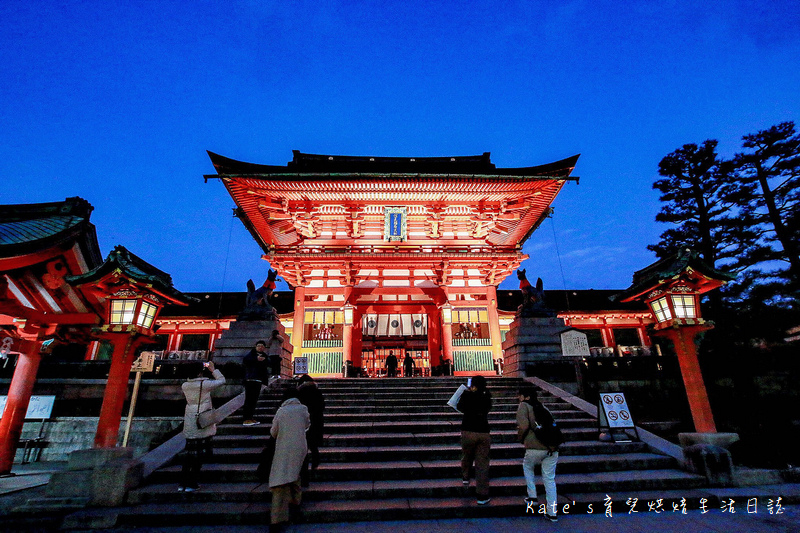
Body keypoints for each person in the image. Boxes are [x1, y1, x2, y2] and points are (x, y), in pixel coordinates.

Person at [180, 361, 225, 492]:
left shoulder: (185, 385)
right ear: (200, 372)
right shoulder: (204, 384)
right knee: (198, 455)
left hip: (190, 417)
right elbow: (222, 381)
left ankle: (182, 483)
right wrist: (213, 369)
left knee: (189, 454)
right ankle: (192, 483)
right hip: (202, 418)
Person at [269, 388, 310, 530]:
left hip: (284, 446)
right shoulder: (303, 409)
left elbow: (273, 432)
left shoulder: (281, 411)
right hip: (300, 447)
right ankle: (295, 503)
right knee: (295, 474)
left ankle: (277, 518)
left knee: (280, 479)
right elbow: (307, 425)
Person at [517, 384, 559, 522]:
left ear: (526, 396)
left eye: (520, 395)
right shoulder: (543, 407)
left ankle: (532, 497)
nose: (519, 398)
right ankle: (552, 512)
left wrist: (521, 438)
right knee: (549, 479)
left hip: (534, 447)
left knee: (527, 466)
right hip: (551, 447)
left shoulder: (524, 406)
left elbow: (523, 426)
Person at [456, 375, 492, 505]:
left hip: (468, 430)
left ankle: (466, 476)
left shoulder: (467, 395)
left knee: (467, 455)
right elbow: (488, 408)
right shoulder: (487, 396)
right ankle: (482, 496)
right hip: (483, 431)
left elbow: (459, 407)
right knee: (482, 464)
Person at [297, 374, 325, 486]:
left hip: (303, 424)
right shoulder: (317, 392)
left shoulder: (300, 393)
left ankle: (304, 478)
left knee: (303, 452)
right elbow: (322, 406)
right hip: (316, 422)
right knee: (313, 446)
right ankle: (315, 462)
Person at [242, 340, 269, 426]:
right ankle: (246, 419)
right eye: (259, 346)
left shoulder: (265, 356)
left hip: (258, 380)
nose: (260, 347)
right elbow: (245, 361)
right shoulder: (251, 355)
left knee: (254, 400)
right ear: (255, 346)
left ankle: (251, 417)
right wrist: (256, 359)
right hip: (250, 379)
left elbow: (269, 364)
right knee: (249, 399)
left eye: (262, 346)